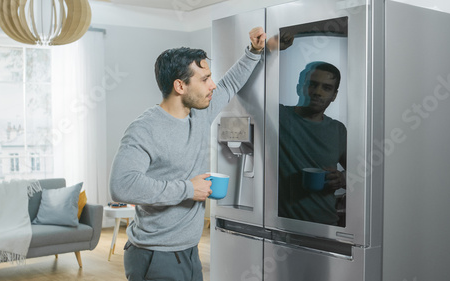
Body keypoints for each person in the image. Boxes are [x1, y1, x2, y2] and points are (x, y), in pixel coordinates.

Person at [109, 27, 266, 281]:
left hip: (189, 252)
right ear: (180, 86)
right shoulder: (144, 129)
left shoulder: (200, 114)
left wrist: (255, 51)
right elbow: (121, 186)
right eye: (204, 79)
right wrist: (188, 189)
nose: (212, 85)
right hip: (155, 255)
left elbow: (230, 84)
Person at [278, 61, 347, 226]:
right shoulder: (278, 116)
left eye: (326, 88)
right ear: (299, 87)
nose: (317, 92)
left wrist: (343, 178)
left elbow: (362, 171)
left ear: (334, 95)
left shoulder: (338, 129)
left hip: (326, 224)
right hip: (281, 226)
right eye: (312, 85)